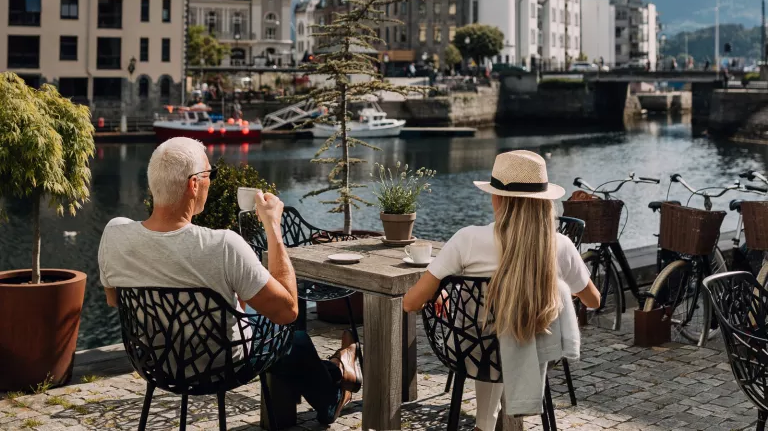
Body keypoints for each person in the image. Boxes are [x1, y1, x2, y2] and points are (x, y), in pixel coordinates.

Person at [98, 137, 361, 425]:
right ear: (193, 184)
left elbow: (114, 300)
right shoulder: (223, 245)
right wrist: (273, 226)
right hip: (220, 365)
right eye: (210, 174)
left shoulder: (114, 233)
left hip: (155, 364)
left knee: (260, 317)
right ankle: (334, 383)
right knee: (291, 336)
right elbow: (288, 311)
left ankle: (338, 370)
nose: (211, 182)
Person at [403, 150, 600, 431]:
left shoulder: (467, 239)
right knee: (507, 331)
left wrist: (446, 295)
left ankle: (485, 425)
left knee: (488, 334)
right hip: (535, 350)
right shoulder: (560, 246)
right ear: (543, 202)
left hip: (471, 354)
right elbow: (593, 299)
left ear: (497, 198)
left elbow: (411, 302)